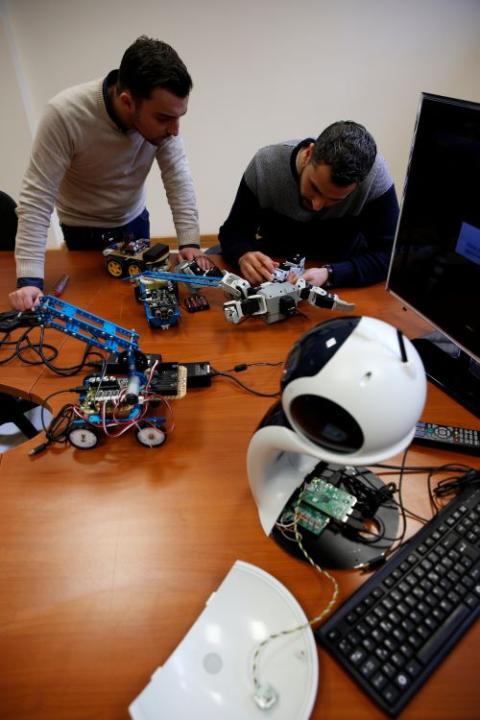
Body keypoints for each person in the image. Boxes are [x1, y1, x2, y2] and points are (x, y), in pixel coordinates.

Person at [10, 35, 201, 311]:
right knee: (94, 306)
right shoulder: (65, 115)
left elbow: (178, 179)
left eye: (179, 116)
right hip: (81, 231)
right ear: (127, 102)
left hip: (134, 223)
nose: (175, 130)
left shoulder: (166, 124)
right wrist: (30, 280)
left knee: (139, 305)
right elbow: (36, 198)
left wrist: (190, 242)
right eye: (163, 118)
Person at [218, 121, 399, 288]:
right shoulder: (265, 165)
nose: (317, 205)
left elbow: (391, 255)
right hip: (274, 267)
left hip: (341, 268)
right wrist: (242, 254)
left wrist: (331, 274)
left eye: (335, 200)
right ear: (308, 154)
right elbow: (233, 232)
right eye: (315, 187)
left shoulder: (374, 178)